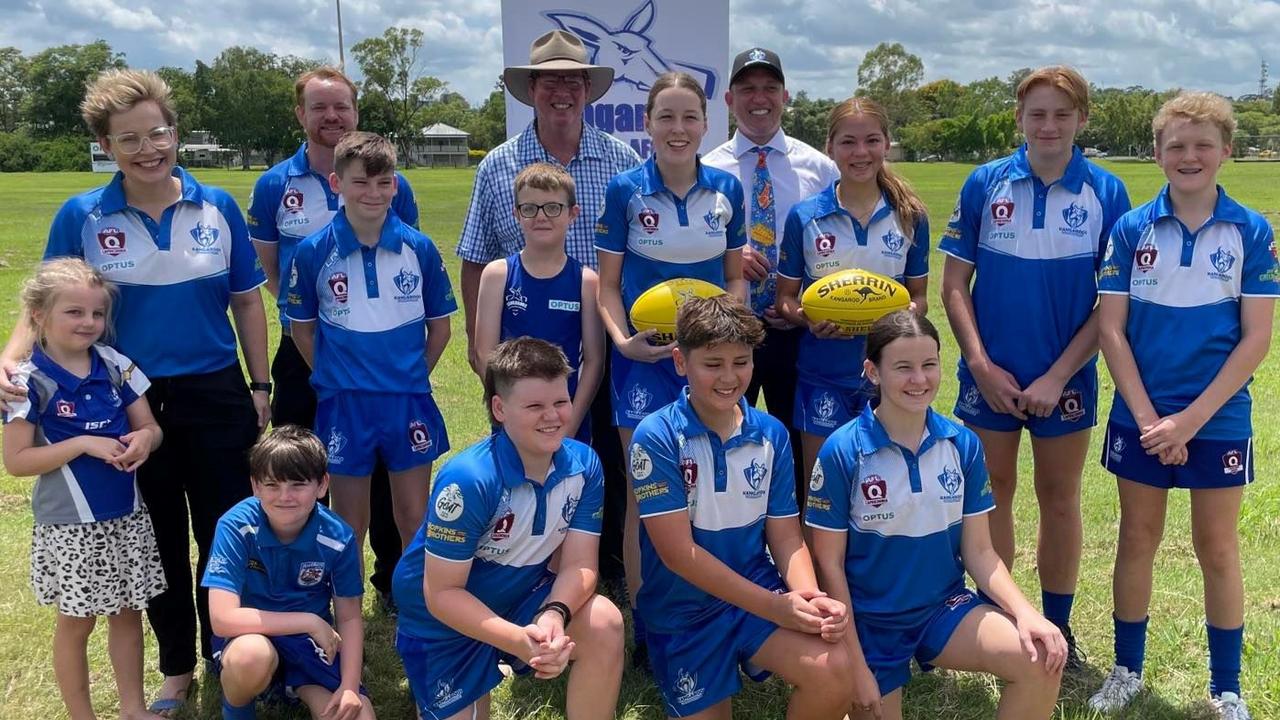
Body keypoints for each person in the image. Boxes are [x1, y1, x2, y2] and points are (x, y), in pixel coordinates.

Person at [0, 68, 270, 714]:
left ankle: (226, 652)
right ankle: (176, 667)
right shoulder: (83, 215)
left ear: (175, 131)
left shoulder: (218, 205)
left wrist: (259, 384)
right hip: (126, 402)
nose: (149, 148)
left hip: (214, 392)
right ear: (106, 146)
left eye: (159, 132)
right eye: (129, 139)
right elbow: (42, 300)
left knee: (224, 530)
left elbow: (247, 303)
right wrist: (10, 359)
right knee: (157, 540)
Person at [1088, 92, 1276, 720]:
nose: (1189, 156)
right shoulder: (1132, 228)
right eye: (1176, 145)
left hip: (1216, 416)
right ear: (1157, 152)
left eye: (1202, 145)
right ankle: (1126, 671)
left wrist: (1190, 420)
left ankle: (1227, 690)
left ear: (1226, 151)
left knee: (1217, 548)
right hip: (1140, 414)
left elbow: (1256, 338)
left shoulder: (1251, 230)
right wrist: (1147, 419)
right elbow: (1111, 328)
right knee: (1136, 539)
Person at [939, 65, 1131, 667]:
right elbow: (953, 286)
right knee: (989, 497)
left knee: (1059, 498)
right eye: (1037, 113)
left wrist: (1057, 377)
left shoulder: (1108, 192)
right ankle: (997, 624)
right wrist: (981, 365)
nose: (1049, 125)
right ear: (1019, 117)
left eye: (1062, 114)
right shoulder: (984, 183)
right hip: (989, 379)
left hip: (1064, 380)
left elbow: (1111, 305)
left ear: (1082, 119)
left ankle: (1059, 627)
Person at [807, 310, 1066, 720]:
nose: (919, 379)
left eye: (929, 365)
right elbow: (829, 565)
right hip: (870, 623)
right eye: (903, 368)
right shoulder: (843, 451)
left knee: (1039, 659)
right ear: (872, 372)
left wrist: (1026, 613)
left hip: (941, 608)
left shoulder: (961, 444)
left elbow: (981, 552)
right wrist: (855, 665)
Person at [457, 27, 640, 587]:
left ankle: (597, 568)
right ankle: (521, 568)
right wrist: (482, 354)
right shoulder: (499, 166)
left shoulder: (621, 159)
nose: (562, 89)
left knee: (598, 460)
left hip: (604, 340)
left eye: (572, 78)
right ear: (531, 89)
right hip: (523, 355)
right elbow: (474, 257)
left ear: (587, 87)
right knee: (525, 462)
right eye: (549, 79)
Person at [629, 294, 853, 718]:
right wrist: (774, 608)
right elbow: (678, 555)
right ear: (680, 361)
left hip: (756, 588)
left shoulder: (771, 433)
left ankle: (756, 648)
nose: (728, 377)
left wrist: (805, 598)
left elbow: (786, 537)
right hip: (684, 609)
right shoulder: (655, 437)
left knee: (835, 666)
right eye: (712, 364)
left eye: (741, 361)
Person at [247, 66, 417, 612]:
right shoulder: (275, 183)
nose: (331, 117)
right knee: (303, 469)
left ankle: (394, 582)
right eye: (318, 108)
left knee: (390, 468)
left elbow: (402, 251)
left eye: (340, 106)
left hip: (379, 359)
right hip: (308, 349)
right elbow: (272, 270)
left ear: (355, 111)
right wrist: (318, 331)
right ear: (300, 114)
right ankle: (311, 586)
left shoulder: (396, 183)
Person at [595, 71, 747, 666]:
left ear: (706, 124)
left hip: (709, 363)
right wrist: (621, 342)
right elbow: (607, 287)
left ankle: (711, 611)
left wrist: (726, 325)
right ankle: (645, 623)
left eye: (689, 117)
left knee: (712, 488)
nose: (678, 129)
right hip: (643, 364)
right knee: (644, 493)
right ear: (648, 124)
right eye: (667, 117)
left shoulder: (726, 191)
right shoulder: (625, 191)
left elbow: (736, 277)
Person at [392, 337, 623, 720]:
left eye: (560, 402)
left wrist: (554, 613)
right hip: (443, 620)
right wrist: (517, 640)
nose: (552, 416)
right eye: (534, 406)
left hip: (519, 599)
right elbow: (442, 593)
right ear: (499, 408)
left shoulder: (584, 466)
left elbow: (581, 565)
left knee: (604, 622)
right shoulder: (469, 480)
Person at [2, 258, 166, 720]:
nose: (89, 322)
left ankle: (133, 709)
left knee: (129, 615)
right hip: (72, 527)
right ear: (38, 315)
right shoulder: (26, 381)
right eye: (74, 312)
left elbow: (152, 428)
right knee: (77, 625)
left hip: (127, 517)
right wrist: (82, 444)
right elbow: (16, 462)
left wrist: (145, 441)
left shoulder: (116, 364)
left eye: (96, 313)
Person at [286, 131, 455, 565]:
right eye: (360, 182)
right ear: (336, 183)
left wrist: (412, 376)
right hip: (345, 404)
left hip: (407, 402)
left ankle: (418, 609)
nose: (373, 193)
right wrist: (332, 378)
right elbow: (302, 331)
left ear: (395, 185)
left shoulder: (419, 248)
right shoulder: (311, 252)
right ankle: (348, 615)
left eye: (384, 182)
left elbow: (441, 329)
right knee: (347, 521)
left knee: (414, 516)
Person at [775, 96, 930, 504]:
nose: (860, 153)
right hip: (821, 372)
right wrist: (808, 319)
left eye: (871, 141)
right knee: (822, 490)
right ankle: (824, 572)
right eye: (848, 142)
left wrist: (902, 316)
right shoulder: (806, 216)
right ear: (830, 147)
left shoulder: (910, 215)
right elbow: (786, 300)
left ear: (886, 143)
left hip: (890, 376)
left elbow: (919, 298)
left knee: (885, 490)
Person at [703, 47, 839, 495]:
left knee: (799, 447)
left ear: (785, 96)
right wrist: (728, 257)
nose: (758, 99)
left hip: (800, 330)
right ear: (728, 99)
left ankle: (797, 551)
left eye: (769, 89)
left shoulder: (821, 168)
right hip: (731, 330)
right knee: (726, 439)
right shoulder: (707, 169)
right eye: (747, 89)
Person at [203, 425, 374, 720]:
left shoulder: (338, 537)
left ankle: (294, 686)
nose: (285, 496)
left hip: (306, 641)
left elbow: (349, 616)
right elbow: (222, 619)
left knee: (359, 715)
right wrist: (308, 621)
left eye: (297, 484)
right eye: (272, 485)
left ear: (322, 485)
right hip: (249, 636)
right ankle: (238, 709)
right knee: (252, 656)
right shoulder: (235, 526)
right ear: (255, 486)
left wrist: (348, 686)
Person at [474, 163, 604, 442]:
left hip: (566, 426)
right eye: (530, 208)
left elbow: (594, 362)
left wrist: (568, 426)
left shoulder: (587, 281)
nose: (541, 217)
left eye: (553, 207)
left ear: (573, 214)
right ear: (516, 215)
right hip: (512, 426)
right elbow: (484, 353)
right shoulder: (498, 275)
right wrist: (510, 414)